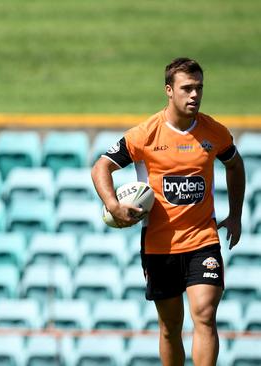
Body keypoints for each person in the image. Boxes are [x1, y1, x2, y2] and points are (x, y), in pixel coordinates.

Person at [91, 57, 245, 366]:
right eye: (187, 88)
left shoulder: (214, 132)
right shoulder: (145, 134)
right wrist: (113, 206)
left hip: (203, 239)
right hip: (160, 244)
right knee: (170, 327)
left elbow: (234, 165)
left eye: (199, 88)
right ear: (169, 91)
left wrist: (236, 214)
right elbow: (101, 167)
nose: (194, 96)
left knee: (204, 314)